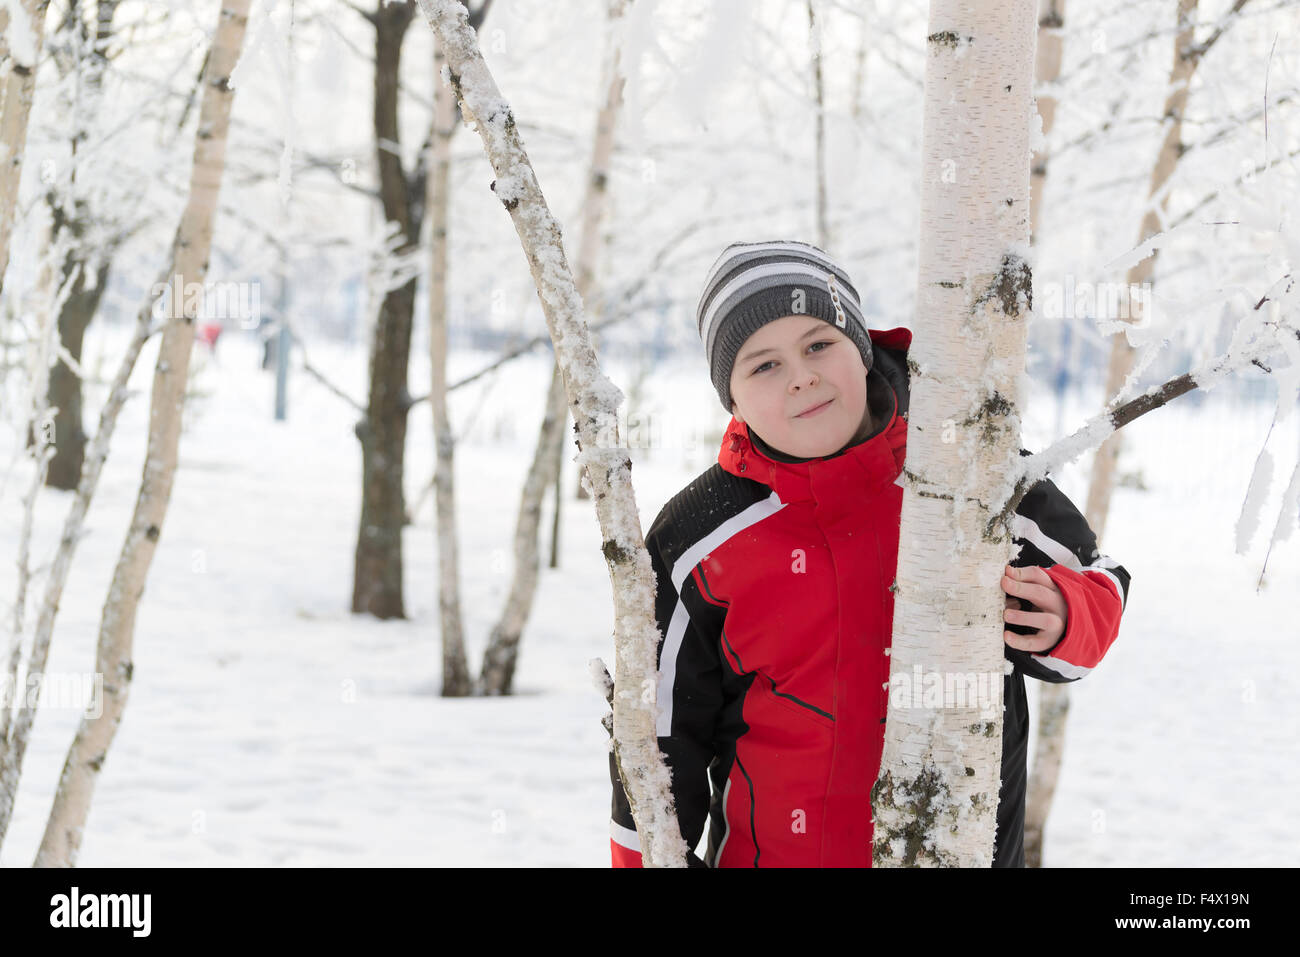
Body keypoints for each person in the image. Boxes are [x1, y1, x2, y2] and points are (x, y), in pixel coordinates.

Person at [605, 240, 1131, 868]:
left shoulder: (966, 470)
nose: (801, 374)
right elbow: (659, 741)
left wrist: (1066, 617)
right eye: (763, 365)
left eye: (818, 344)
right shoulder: (698, 537)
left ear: (862, 350)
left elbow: (1097, 582)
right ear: (733, 401)